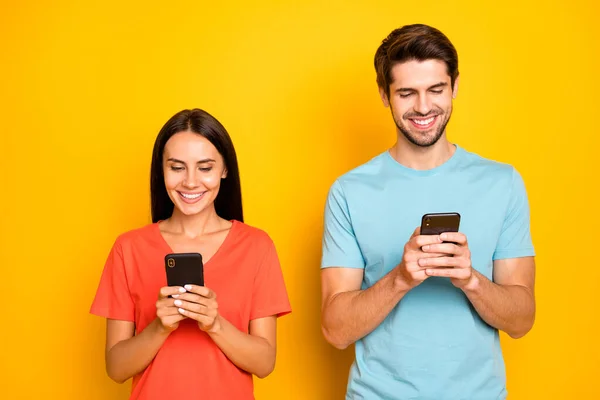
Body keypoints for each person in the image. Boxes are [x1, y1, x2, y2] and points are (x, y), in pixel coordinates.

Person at [320, 24, 536, 399]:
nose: (423, 107)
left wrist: (470, 279)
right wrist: (401, 278)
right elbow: (335, 331)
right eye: (407, 93)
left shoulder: (502, 183)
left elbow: (522, 320)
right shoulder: (349, 192)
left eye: (435, 90)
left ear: (454, 86)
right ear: (385, 95)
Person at [90, 108, 291, 399]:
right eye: (177, 167)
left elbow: (264, 362)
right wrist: (159, 327)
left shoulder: (257, 247)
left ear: (224, 170)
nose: (191, 181)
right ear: (162, 170)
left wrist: (215, 324)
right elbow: (116, 368)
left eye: (205, 167)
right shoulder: (128, 249)